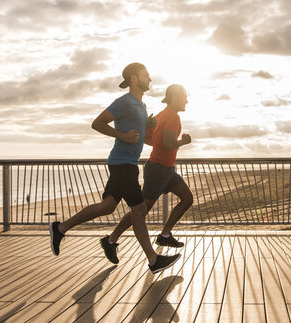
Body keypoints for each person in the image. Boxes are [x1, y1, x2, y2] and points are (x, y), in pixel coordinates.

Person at [49, 63, 181, 274]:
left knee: (108, 206)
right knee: (138, 210)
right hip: (122, 163)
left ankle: (60, 228)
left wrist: (147, 126)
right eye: (146, 75)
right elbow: (97, 123)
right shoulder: (124, 102)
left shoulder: (142, 106)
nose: (150, 79)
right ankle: (153, 259)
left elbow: (141, 137)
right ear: (134, 79)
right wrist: (123, 136)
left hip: (126, 162)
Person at [101, 84, 193, 264]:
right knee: (140, 211)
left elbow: (146, 137)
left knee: (187, 198)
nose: (186, 100)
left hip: (164, 169)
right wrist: (183, 142)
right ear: (174, 98)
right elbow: (168, 143)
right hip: (159, 170)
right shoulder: (173, 117)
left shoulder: (160, 115)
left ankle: (165, 234)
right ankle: (111, 240)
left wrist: (161, 144)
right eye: (184, 96)